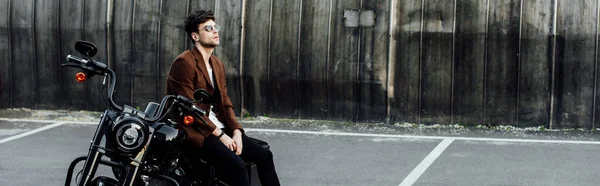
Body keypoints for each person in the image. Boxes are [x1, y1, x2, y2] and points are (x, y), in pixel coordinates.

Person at [166, 10, 280, 186]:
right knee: (237, 167)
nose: (215, 31)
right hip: (197, 131)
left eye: (215, 27)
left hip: (218, 127)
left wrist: (236, 131)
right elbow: (189, 108)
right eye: (208, 28)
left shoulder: (217, 64)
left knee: (264, 155)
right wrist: (221, 136)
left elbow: (225, 101)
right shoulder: (184, 63)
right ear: (195, 36)